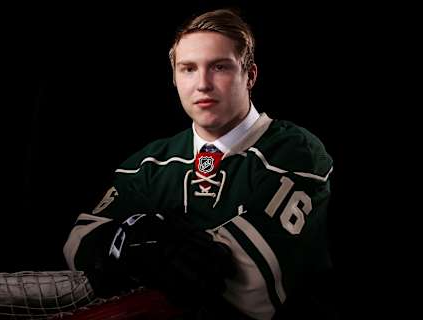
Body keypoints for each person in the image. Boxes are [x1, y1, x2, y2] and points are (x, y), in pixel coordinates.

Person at [63, 8, 336, 320]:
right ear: (174, 77)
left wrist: (139, 258)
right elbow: (77, 243)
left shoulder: (295, 151)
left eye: (219, 67)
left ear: (250, 75)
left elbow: (250, 283)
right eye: (188, 69)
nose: (202, 84)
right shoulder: (149, 163)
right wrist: (133, 240)